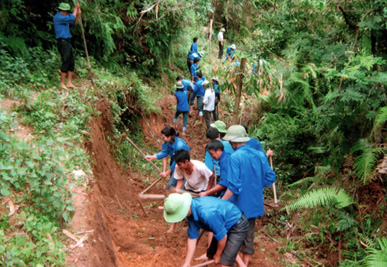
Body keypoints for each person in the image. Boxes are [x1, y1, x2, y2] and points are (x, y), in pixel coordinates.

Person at [222, 125, 276, 266]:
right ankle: (245, 262)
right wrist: (257, 185)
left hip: (239, 204)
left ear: (233, 141)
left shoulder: (235, 157)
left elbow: (233, 186)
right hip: (254, 202)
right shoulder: (259, 154)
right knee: (249, 234)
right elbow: (271, 176)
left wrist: (222, 201)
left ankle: (237, 263)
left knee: (233, 234)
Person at [163, 193, 249, 267]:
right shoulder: (191, 212)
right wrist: (187, 262)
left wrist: (218, 255)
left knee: (225, 263)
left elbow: (223, 238)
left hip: (237, 224)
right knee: (211, 255)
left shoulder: (207, 213)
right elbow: (192, 238)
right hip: (221, 225)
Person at [53, 2, 81, 89]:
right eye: (67, 11)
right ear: (63, 11)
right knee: (65, 61)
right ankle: (62, 83)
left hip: (68, 42)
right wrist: (76, 9)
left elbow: (74, 23)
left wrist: (78, 15)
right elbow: (72, 17)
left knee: (71, 61)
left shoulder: (65, 18)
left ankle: (69, 82)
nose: (68, 13)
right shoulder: (58, 17)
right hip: (62, 42)